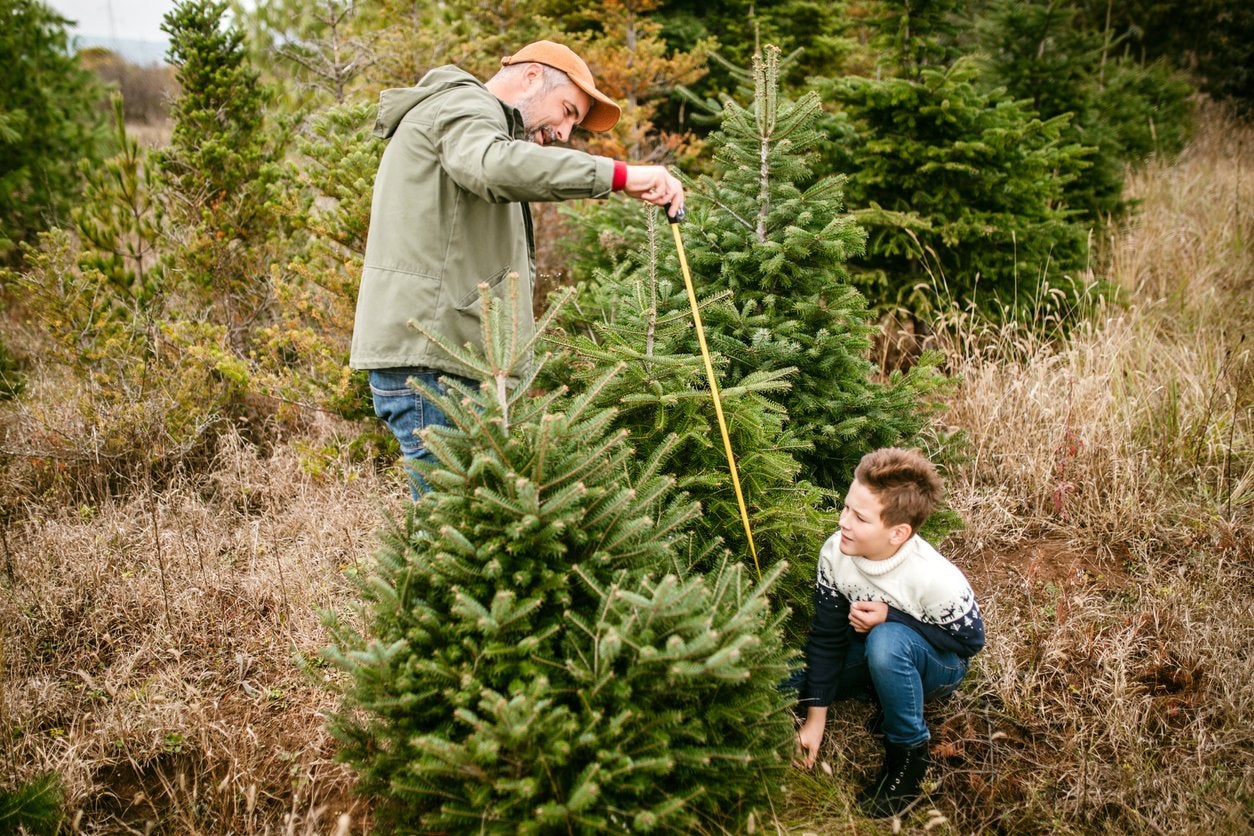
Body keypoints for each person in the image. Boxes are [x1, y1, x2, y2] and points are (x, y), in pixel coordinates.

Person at [349, 40, 685, 495]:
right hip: (436, 359)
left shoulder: (480, 124)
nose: (565, 132)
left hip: (447, 355)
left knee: (460, 538)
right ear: (531, 77)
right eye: (567, 110)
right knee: (448, 541)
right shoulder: (465, 105)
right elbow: (491, 167)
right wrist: (620, 175)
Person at [793, 447, 985, 818]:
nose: (843, 522)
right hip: (865, 650)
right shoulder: (836, 553)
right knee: (789, 679)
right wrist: (815, 721)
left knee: (886, 642)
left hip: (937, 665)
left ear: (898, 533)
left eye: (860, 517)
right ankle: (879, 688)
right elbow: (827, 637)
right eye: (846, 507)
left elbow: (970, 643)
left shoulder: (933, 577)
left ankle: (909, 755)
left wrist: (893, 618)